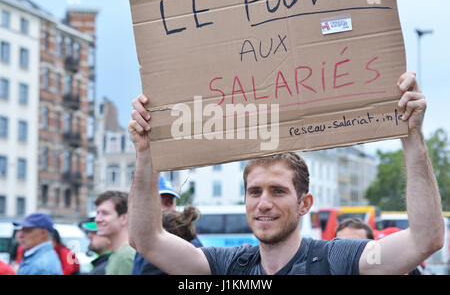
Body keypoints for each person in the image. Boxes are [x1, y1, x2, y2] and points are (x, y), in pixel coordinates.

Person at [127, 71, 445, 275]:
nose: (263, 203)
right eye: (255, 191)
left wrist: (412, 136)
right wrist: (144, 154)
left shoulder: (337, 262)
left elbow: (425, 239)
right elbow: (146, 240)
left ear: (305, 203)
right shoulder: (228, 267)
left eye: (277, 191)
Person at [132, 176, 203, 274]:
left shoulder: (190, 239)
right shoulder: (139, 240)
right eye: (157, 202)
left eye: (169, 202)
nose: (164, 208)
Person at [95, 191, 136, 275]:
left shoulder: (126, 256)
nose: (97, 219)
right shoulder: (118, 254)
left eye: (105, 213)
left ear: (124, 218)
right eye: (98, 213)